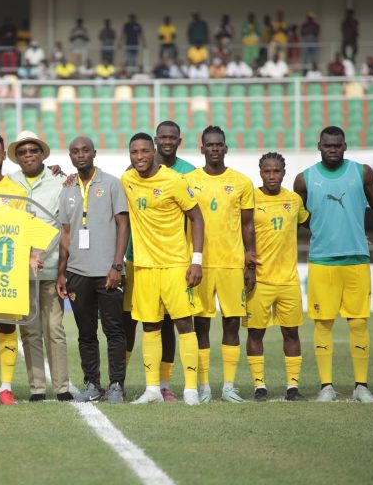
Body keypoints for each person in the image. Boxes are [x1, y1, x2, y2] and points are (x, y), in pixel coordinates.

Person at [293, 126, 373, 403]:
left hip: (357, 259)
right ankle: (326, 387)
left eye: (337, 145)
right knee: (323, 324)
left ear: (345, 146)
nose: (332, 149)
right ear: (319, 146)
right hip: (322, 261)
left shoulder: (362, 173)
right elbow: (295, 217)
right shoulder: (304, 179)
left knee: (358, 323)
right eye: (327, 145)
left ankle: (361, 386)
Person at [121, 133, 204, 406]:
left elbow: (197, 217)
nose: (140, 157)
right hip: (144, 267)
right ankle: (152, 389)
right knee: (150, 326)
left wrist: (197, 260)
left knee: (183, 324)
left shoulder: (174, 181)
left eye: (145, 151)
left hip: (175, 265)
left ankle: (191, 389)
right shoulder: (127, 180)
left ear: (154, 151)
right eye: (135, 152)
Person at [186, 126, 256, 403]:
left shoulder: (241, 182)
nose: (214, 149)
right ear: (201, 148)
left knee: (231, 324)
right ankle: (204, 386)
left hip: (231, 264)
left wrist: (250, 262)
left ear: (226, 148)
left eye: (219, 145)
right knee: (200, 325)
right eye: (209, 145)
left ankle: (228, 385)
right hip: (201, 264)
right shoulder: (189, 180)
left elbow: (248, 225)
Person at [57, 136, 129, 404]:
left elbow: (123, 225)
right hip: (77, 273)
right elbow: (66, 233)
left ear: (94, 153)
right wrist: (62, 272)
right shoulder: (67, 190)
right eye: (75, 151)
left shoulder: (111, 184)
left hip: (107, 271)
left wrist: (116, 265)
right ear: (70, 156)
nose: (81, 155)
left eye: (85, 150)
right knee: (86, 333)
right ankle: (92, 384)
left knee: (113, 331)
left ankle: (117, 385)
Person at [8, 131, 72, 401]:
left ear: (42, 154)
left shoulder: (60, 181)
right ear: (17, 157)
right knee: (30, 331)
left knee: (54, 330)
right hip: (19, 270)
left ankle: (62, 387)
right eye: (23, 152)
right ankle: (36, 388)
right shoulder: (9, 183)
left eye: (33, 151)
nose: (28, 155)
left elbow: (65, 225)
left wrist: (62, 270)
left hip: (51, 266)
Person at [246, 152, 308, 402]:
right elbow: (241, 230)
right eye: (267, 171)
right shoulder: (250, 198)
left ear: (284, 172)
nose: (272, 176)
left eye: (277, 171)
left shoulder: (294, 200)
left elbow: (307, 224)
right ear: (260, 172)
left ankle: (293, 387)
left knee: (291, 332)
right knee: (255, 333)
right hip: (259, 279)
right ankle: (259, 386)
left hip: (288, 279)